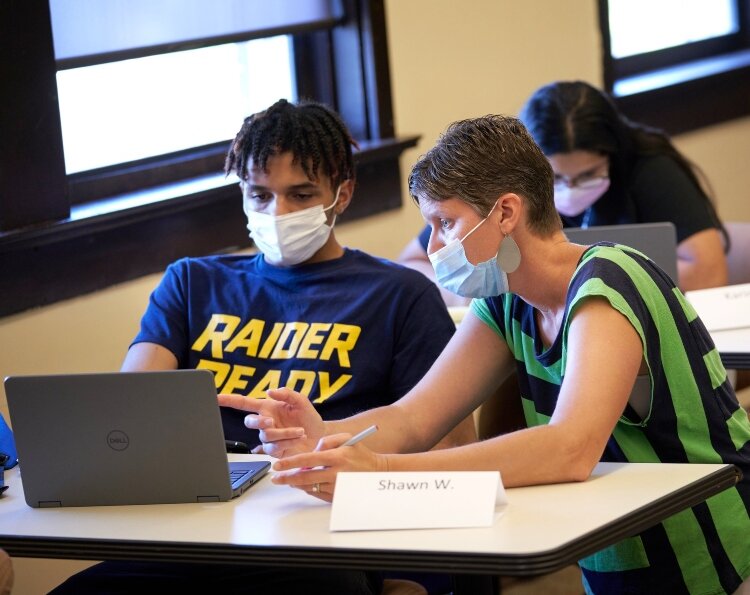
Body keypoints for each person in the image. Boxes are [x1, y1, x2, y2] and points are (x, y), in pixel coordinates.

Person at [223, 114, 750, 595]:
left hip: (722, 552)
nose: (432, 247)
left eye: (444, 223)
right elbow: (413, 417)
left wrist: (379, 468)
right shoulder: (504, 301)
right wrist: (326, 438)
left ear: (505, 212)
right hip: (628, 549)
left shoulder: (608, 279)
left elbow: (569, 447)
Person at [51, 99, 474, 595]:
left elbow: (447, 449)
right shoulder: (191, 283)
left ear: (343, 193)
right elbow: (125, 417)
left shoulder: (400, 295)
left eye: (300, 194)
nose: (280, 212)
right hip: (194, 530)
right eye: (260, 194)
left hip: (320, 533)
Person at [400, 81, 728, 294]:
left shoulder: (651, 170)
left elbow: (709, 272)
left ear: (612, 154)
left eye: (587, 175)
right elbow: (413, 263)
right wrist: (460, 287)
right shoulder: (503, 193)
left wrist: (579, 282)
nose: (569, 190)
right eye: (554, 178)